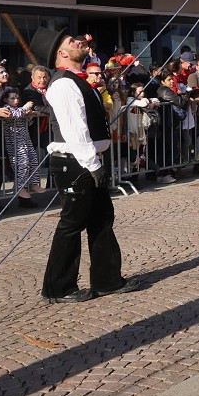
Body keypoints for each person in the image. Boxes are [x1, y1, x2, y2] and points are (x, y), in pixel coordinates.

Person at [28, 26, 138, 303]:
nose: (79, 41)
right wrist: (92, 164)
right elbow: (75, 129)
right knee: (72, 223)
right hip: (75, 162)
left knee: (101, 219)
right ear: (62, 54)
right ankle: (58, 288)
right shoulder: (63, 83)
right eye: (71, 41)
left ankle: (107, 279)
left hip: (86, 160)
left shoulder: (76, 80)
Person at [0, 87, 40, 208]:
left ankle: (33, 183)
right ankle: (20, 186)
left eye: (17, 98)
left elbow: (27, 122)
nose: (16, 100)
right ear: (6, 99)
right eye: (12, 98)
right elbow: (15, 115)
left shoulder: (19, 109)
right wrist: (26, 107)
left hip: (26, 139)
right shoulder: (7, 108)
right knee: (22, 163)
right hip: (14, 141)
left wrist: (30, 115)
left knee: (33, 160)